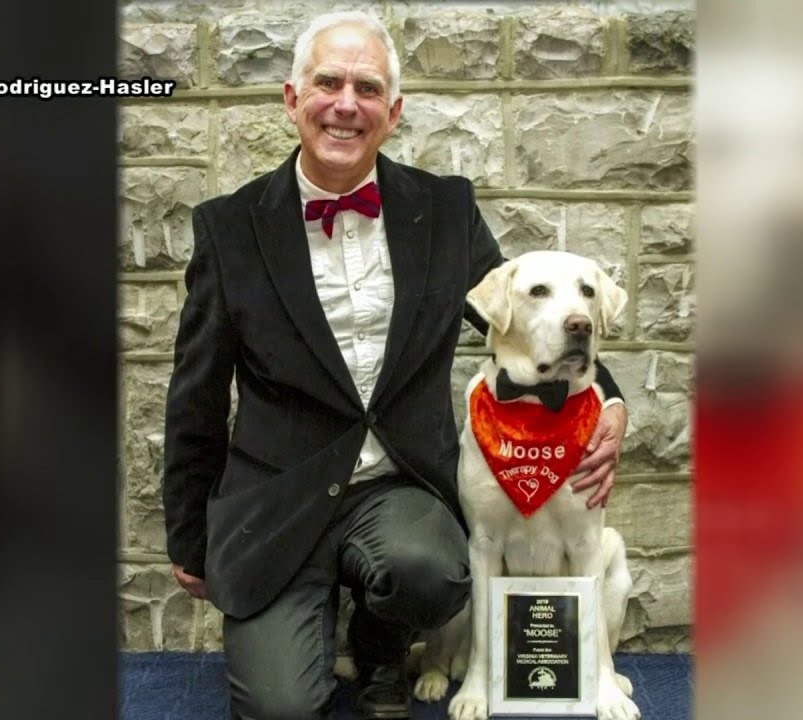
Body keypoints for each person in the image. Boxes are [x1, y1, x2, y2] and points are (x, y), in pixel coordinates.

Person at [162, 10, 628, 719]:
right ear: (292, 99)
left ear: (394, 111)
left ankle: (381, 645)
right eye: (328, 83)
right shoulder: (228, 228)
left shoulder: (445, 208)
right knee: (281, 707)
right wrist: (190, 538)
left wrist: (611, 401)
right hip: (278, 500)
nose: (346, 104)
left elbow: (522, 318)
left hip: (399, 489)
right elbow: (195, 393)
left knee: (434, 571)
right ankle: (308, 617)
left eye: (368, 88)